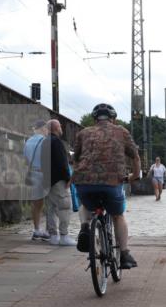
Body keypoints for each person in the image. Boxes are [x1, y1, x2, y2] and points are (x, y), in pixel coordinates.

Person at [72, 103, 142, 269]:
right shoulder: (121, 131)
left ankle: (84, 228)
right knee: (118, 215)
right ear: (113, 118)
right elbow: (136, 157)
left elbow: (75, 158)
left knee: (85, 205)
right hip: (111, 182)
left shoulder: (83, 133)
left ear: (94, 119)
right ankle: (124, 254)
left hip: (84, 182)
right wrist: (134, 176)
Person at [44, 120, 73, 246]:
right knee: (65, 206)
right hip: (58, 180)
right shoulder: (57, 142)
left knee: (51, 208)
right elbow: (62, 163)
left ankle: (53, 235)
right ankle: (64, 236)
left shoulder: (44, 142)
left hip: (46, 181)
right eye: (60, 126)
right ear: (56, 128)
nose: (61, 128)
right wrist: (68, 179)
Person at [23, 119, 49, 241]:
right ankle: (50, 230)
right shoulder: (45, 141)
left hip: (33, 173)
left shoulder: (28, 141)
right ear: (43, 128)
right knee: (51, 204)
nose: (47, 132)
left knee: (36, 204)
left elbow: (26, 161)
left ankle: (37, 229)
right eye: (47, 129)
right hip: (44, 174)